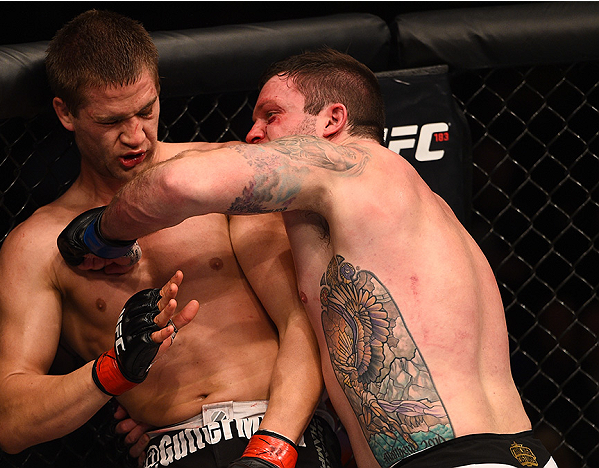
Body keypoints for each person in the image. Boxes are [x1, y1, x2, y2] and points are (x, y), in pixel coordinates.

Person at [59, 48, 559, 468]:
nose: (253, 134)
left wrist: (98, 234)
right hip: (517, 450)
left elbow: (175, 183)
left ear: (332, 120)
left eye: (271, 115)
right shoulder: (412, 209)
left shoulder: (348, 163)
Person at [0, 10, 343, 468]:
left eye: (146, 110)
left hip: (279, 431)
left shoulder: (226, 175)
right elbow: (10, 420)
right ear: (66, 113)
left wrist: (271, 449)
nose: (135, 136)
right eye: (110, 120)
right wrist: (111, 371)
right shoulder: (37, 244)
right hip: (169, 452)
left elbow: (304, 321)